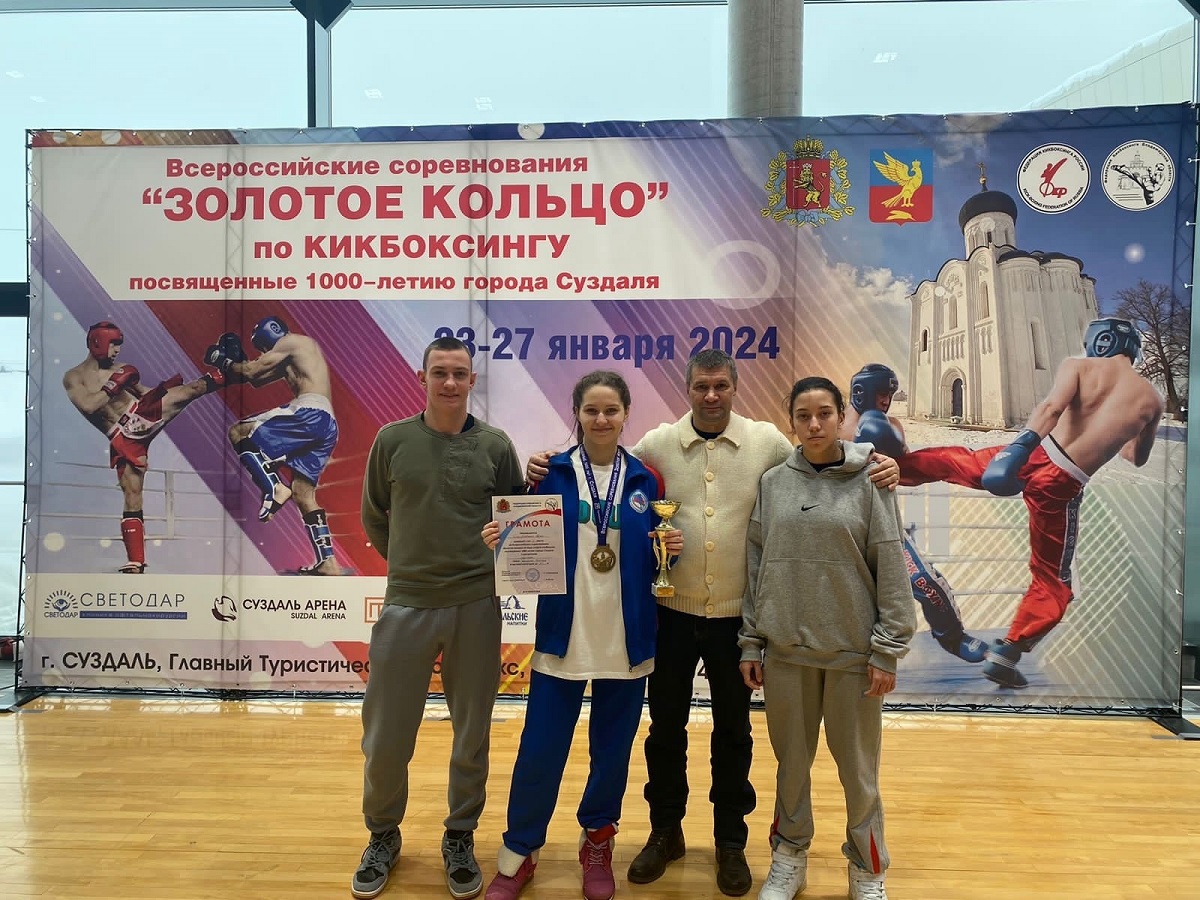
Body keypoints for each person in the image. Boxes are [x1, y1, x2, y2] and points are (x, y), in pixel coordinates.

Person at [525, 349, 900, 897]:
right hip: (670, 617)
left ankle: (730, 842)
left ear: (734, 387)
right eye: (701, 386)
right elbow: (603, 463)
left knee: (734, 735)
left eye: (720, 385)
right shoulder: (658, 444)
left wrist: (876, 459)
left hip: (735, 623)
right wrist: (544, 463)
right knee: (665, 732)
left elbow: (820, 455)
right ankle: (665, 832)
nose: (711, 395)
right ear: (687, 388)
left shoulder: (767, 442)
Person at [480, 370, 682, 900]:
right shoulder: (549, 473)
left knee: (611, 754)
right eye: (591, 410)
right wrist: (503, 539)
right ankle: (520, 851)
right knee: (540, 751)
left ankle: (597, 843)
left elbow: (655, 556)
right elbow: (524, 540)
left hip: (626, 641)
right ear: (577, 413)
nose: (601, 419)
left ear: (625, 414)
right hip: (562, 638)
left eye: (611, 410)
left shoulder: (646, 481)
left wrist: (670, 552)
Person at [897, 317, 1164, 688]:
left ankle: (890, 467)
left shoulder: (1079, 366)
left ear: (1098, 342)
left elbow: (1051, 409)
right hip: (1065, 483)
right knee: (1053, 582)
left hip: (1037, 452)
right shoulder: (1152, 399)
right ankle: (1007, 651)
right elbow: (1136, 457)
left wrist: (1017, 449)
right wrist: (1118, 429)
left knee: (956, 460)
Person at [353, 336, 525, 900]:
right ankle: (383, 834)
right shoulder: (392, 440)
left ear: (472, 380)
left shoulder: (496, 446)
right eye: (439, 373)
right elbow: (374, 514)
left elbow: (517, 520)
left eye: (459, 374)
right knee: (385, 735)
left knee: (471, 734)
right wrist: (409, 567)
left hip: (476, 604)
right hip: (407, 603)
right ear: (422, 378)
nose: (450, 382)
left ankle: (460, 835)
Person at [740, 376, 915, 900]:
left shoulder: (873, 480)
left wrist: (887, 649)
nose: (814, 424)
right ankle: (789, 857)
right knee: (791, 769)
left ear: (841, 416)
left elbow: (891, 566)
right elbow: (757, 566)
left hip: (853, 659)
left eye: (824, 413)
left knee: (859, 775)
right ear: (791, 422)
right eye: (803, 415)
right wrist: (752, 641)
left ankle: (867, 868)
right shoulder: (774, 483)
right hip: (786, 655)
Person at [844, 364, 987, 664]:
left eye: (890, 394)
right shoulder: (833, 424)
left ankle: (953, 638)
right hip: (840, 529)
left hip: (883, 527)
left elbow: (904, 465)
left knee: (924, 581)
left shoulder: (893, 424)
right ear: (862, 392)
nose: (886, 400)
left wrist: (888, 447)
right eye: (881, 393)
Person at [63, 320, 220, 574]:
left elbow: (144, 393)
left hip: (141, 414)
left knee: (192, 389)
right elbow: (89, 406)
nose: (117, 350)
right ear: (98, 342)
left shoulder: (121, 368)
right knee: (132, 493)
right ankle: (136, 561)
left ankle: (235, 370)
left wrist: (162, 392)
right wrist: (114, 385)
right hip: (121, 435)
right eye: (113, 344)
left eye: (119, 344)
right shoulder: (74, 377)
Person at [203, 315, 341, 575]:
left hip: (309, 412)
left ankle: (274, 486)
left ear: (272, 332)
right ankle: (328, 562)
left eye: (264, 346)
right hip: (327, 424)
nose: (265, 352)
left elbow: (251, 370)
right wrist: (238, 363)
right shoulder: (296, 352)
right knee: (303, 493)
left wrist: (221, 359)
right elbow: (256, 379)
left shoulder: (291, 341)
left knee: (238, 432)